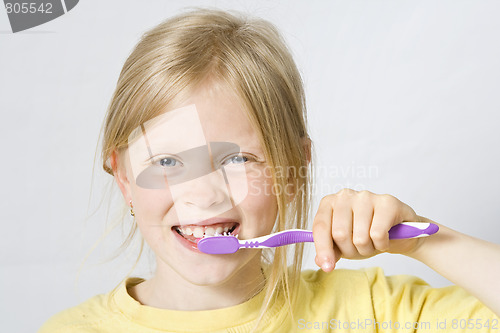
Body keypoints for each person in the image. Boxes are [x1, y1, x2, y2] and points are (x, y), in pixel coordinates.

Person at [39, 8, 500, 333]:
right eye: (167, 162)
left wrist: (426, 242)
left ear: (293, 168)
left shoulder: (374, 311)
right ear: (123, 180)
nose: (203, 195)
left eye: (238, 159)